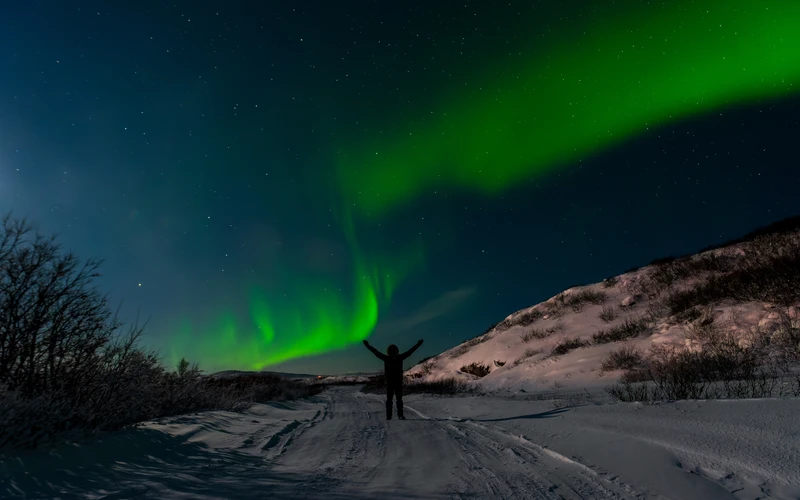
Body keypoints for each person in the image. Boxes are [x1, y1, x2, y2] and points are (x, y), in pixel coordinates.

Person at [363, 339, 423, 420]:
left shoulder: (387, 358)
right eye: (393, 350)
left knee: (392, 400)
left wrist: (368, 345)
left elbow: (376, 352)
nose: (393, 351)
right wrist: (418, 344)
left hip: (391, 382)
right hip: (395, 382)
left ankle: (390, 416)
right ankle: (398, 415)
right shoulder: (398, 357)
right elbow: (410, 352)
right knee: (396, 400)